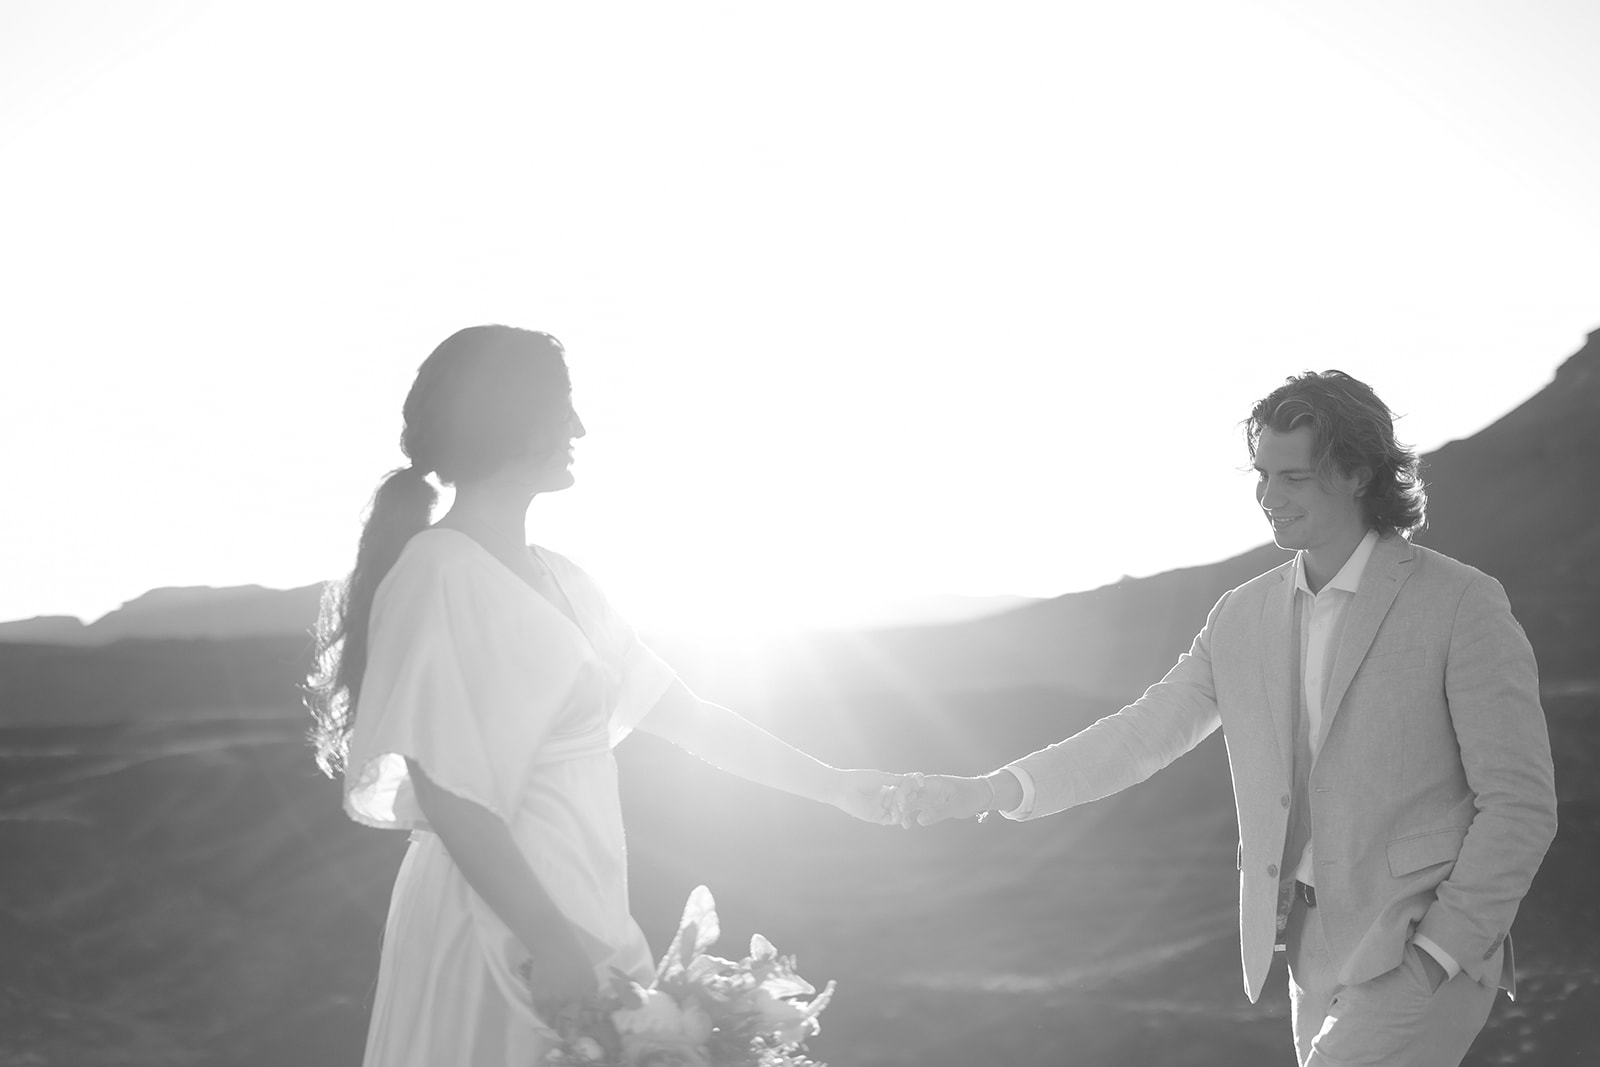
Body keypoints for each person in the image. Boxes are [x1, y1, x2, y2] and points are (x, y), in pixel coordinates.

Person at [901, 370, 1558, 1066]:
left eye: (1294, 477)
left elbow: (1520, 802)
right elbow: (1143, 731)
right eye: (1262, 474)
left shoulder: (1462, 603)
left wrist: (1439, 950)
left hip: (1420, 943)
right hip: (1311, 946)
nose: (1269, 497)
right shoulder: (1242, 613)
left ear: (1358, 471)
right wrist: (989, 789)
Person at [305, 325, 903, 1067]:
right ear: (508, 415)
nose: (579, 428)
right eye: (562, 408)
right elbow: (448, 789)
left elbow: (690, 717)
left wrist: (837, 785)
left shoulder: (564, 578)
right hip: (503, 923)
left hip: (586, 913)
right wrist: (551, 944)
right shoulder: (438, 572)